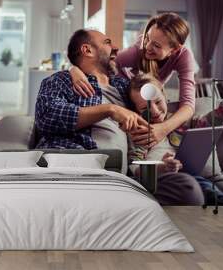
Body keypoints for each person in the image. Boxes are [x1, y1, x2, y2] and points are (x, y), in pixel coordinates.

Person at [35, 29, 204, 205]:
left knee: (187, 188)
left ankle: (116, 205)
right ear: (87, 50)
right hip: (78, 165)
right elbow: (47, 116)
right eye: (107, 42)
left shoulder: (124, 87)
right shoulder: (61, 81)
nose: (116, 47)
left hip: (123, 179)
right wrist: (109, 109)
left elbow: (157, 104)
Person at [70, 12, 197, 149]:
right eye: (147, 38)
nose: (147, 47)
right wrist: (74, 70)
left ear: (175, 49)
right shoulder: (138, 50)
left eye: (156, 45)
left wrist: (163, 129)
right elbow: (100, 62)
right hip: (127, 98)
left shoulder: (183, 56)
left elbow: (188, 105)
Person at [128, 72, 223, 204]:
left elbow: (215, 119)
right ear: (136, 111)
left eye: (158, 102)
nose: (154, 111)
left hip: (193, 177)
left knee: (215, 195)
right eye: (144, 108)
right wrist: (161, 167)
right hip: (162, 182)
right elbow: (134, 168)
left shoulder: (183, 122)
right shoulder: (139, 132)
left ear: (164, 96)